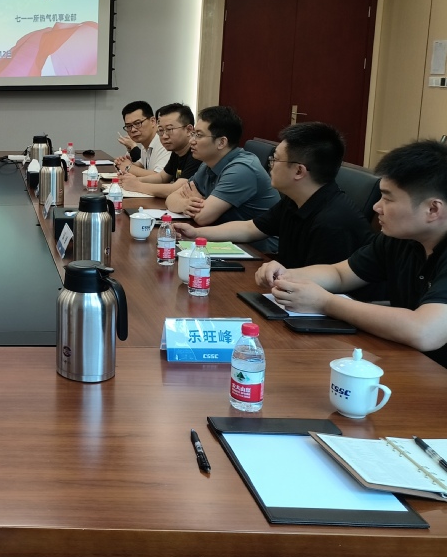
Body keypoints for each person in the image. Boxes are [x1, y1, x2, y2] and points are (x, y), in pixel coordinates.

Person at [264, 140, 447, 368]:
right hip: (410, 361)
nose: (377, 207)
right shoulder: (400, 239)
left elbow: (425, 332)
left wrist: (326, 303)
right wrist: (288, 275)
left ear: (433, 209)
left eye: (388, 199)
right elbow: (341, 274)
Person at [173, 122, 373, 267]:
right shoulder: (295, 200)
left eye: (275, 160)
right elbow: (250, 228)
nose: (270, 166)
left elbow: (324, 284)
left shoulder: (334, 221)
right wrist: (197, 234)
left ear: (299, 171)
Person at [165, 105, 280, 230]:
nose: (191, 141)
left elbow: (202, 218)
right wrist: (186, 204)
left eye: (199, 135)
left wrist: (197, 201)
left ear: (221, 142)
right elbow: (171, 198)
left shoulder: (241, 170)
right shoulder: (207, 163)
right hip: (222, 236)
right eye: (193, 134)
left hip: (255, 242)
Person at [118, 103, 200, 198]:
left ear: (189, 130)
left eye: (169, 129)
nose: (164, 136)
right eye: (161, 130)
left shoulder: (197, 153)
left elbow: (177, 189)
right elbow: (161, 177)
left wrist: (138, 186)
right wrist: (130, 180)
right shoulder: (177, 151)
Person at [114, 100, 171, 175]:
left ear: (153, 121)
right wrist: (122, 163)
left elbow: (159, 177)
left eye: (137, 123)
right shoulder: (145, 144)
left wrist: (128, 167)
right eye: (128, 126)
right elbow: (141, 165)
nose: (133, 130)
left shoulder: (164, 143)